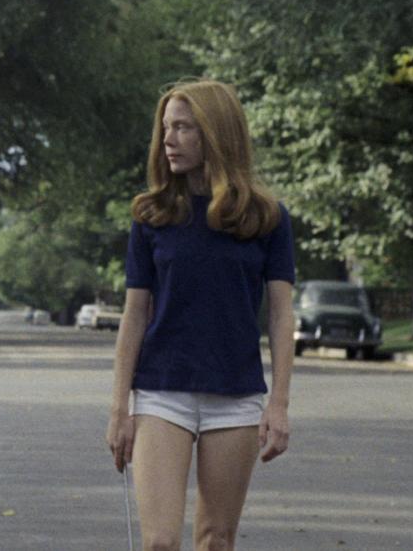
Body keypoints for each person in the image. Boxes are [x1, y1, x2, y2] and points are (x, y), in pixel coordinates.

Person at [105, 79, 295, 551]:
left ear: (216, 133)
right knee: (162, 542)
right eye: (166, 128)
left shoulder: (265, 217)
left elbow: (279, 315)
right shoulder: (151, 216)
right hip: (161, 394)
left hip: (235, 398)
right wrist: (119, 409)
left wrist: (279, 405)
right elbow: (134, 317)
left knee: (215, 540)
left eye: (183, 128)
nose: (168, 139)